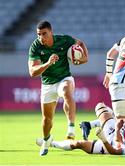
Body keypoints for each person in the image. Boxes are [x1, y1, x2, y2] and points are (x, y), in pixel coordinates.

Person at [28, 20, 88, 156]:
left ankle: (71, 129)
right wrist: (48, 63)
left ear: (51, 32)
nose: (41, 37)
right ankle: (46, 140)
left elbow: (81, 43)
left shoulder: (64, 40)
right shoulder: (35, 46)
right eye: (39, 34)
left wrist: (84, 58)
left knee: (67, 92)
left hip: (64, 78)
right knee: (46, 120)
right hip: (48, 84)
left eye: (44, 34)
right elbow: (32, 72)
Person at [36, 102, 125, 155]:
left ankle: (51, 143)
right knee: (100, 106)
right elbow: (120, 122)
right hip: (114, 132)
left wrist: (103, 138)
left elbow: (114, 151)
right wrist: (118, 125)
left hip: (110, 145)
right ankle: (88, 125)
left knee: (78, 144)